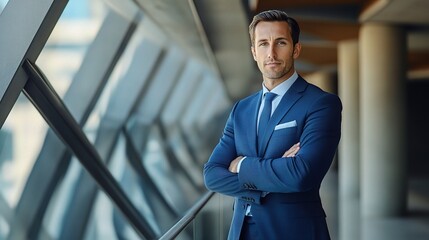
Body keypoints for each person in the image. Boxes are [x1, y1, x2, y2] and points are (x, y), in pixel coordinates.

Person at [203, 9, 342, 240]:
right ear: (254, 52)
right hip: (240, 233)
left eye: (281, 42)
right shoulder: (241, 110)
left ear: (296, 49)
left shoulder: (321, 104)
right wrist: (277, 171)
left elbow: (302, 174)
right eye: (263, 44)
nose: (272, 53)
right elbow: (212, 175)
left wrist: (242, 165)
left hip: (294, 233)